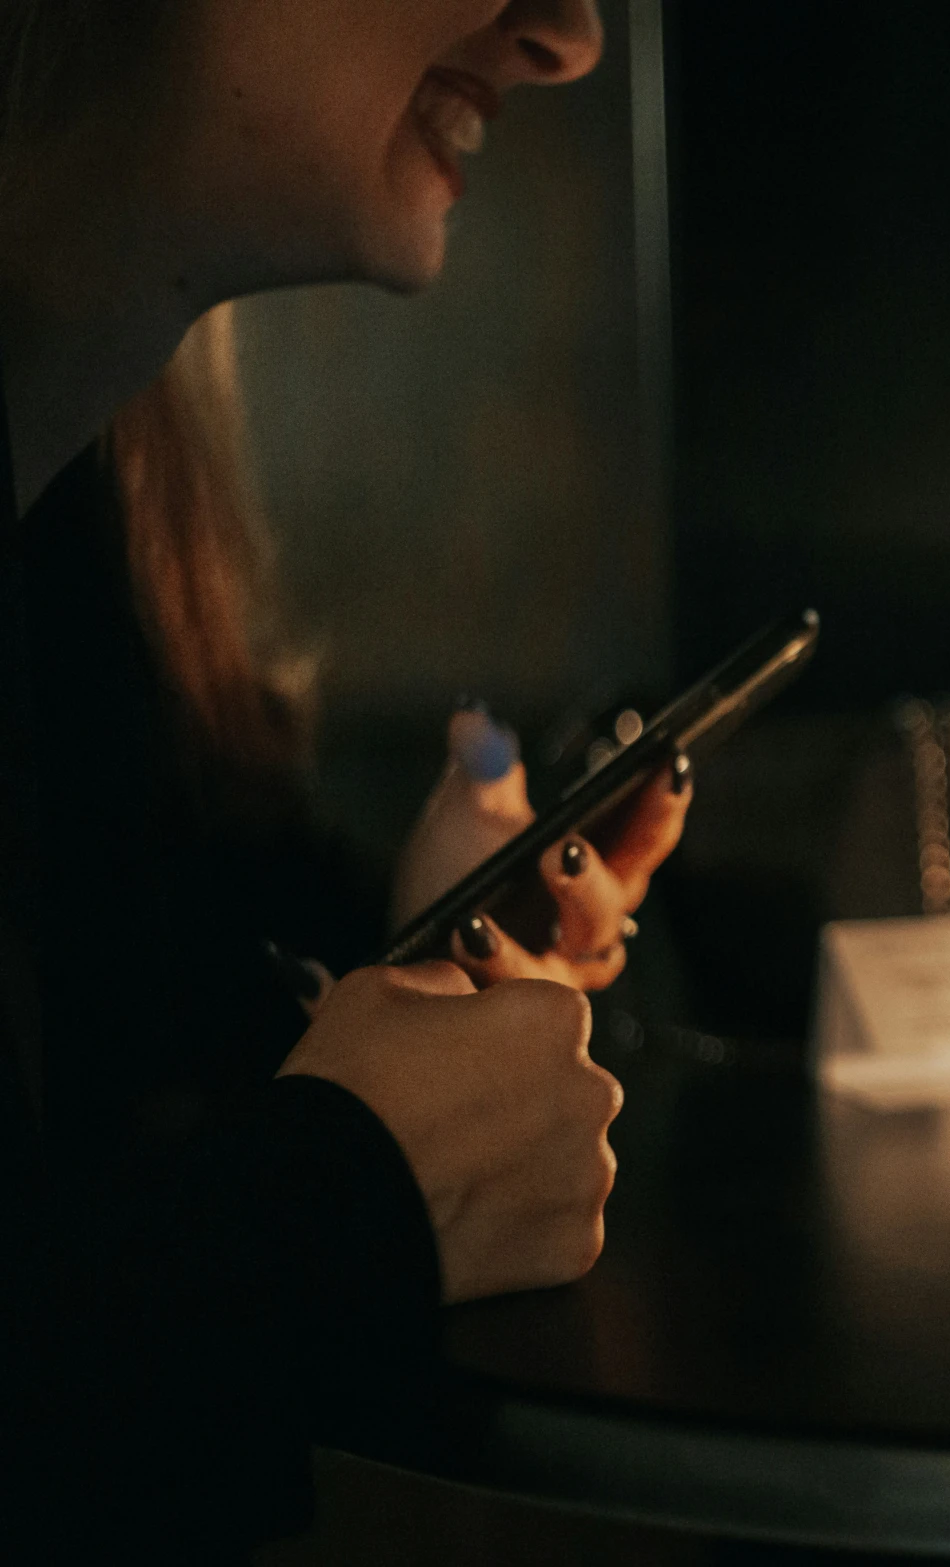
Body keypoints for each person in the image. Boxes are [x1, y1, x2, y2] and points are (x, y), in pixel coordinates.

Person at [0, 1, 696, 1557]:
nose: (572, 35)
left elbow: (105, 1059)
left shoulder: (84, 481)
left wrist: (429, 949)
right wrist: (356, 1189)